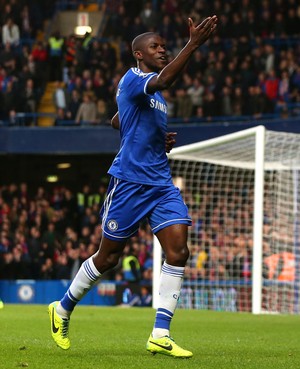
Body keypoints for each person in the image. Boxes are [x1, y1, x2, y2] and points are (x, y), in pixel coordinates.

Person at [48, 15, 218, 358]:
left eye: (163, 46)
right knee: (108, 257)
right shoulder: (134, 79)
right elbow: (163, 82)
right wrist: (194, 44)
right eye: (155, 47)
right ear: (138, 54)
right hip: (128, 182)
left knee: (178, 251)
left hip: (160, 184)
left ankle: (160, 332)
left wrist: (156, 137)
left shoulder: (153, 96)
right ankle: (62, 308)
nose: (162, 51)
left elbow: (118, 119)